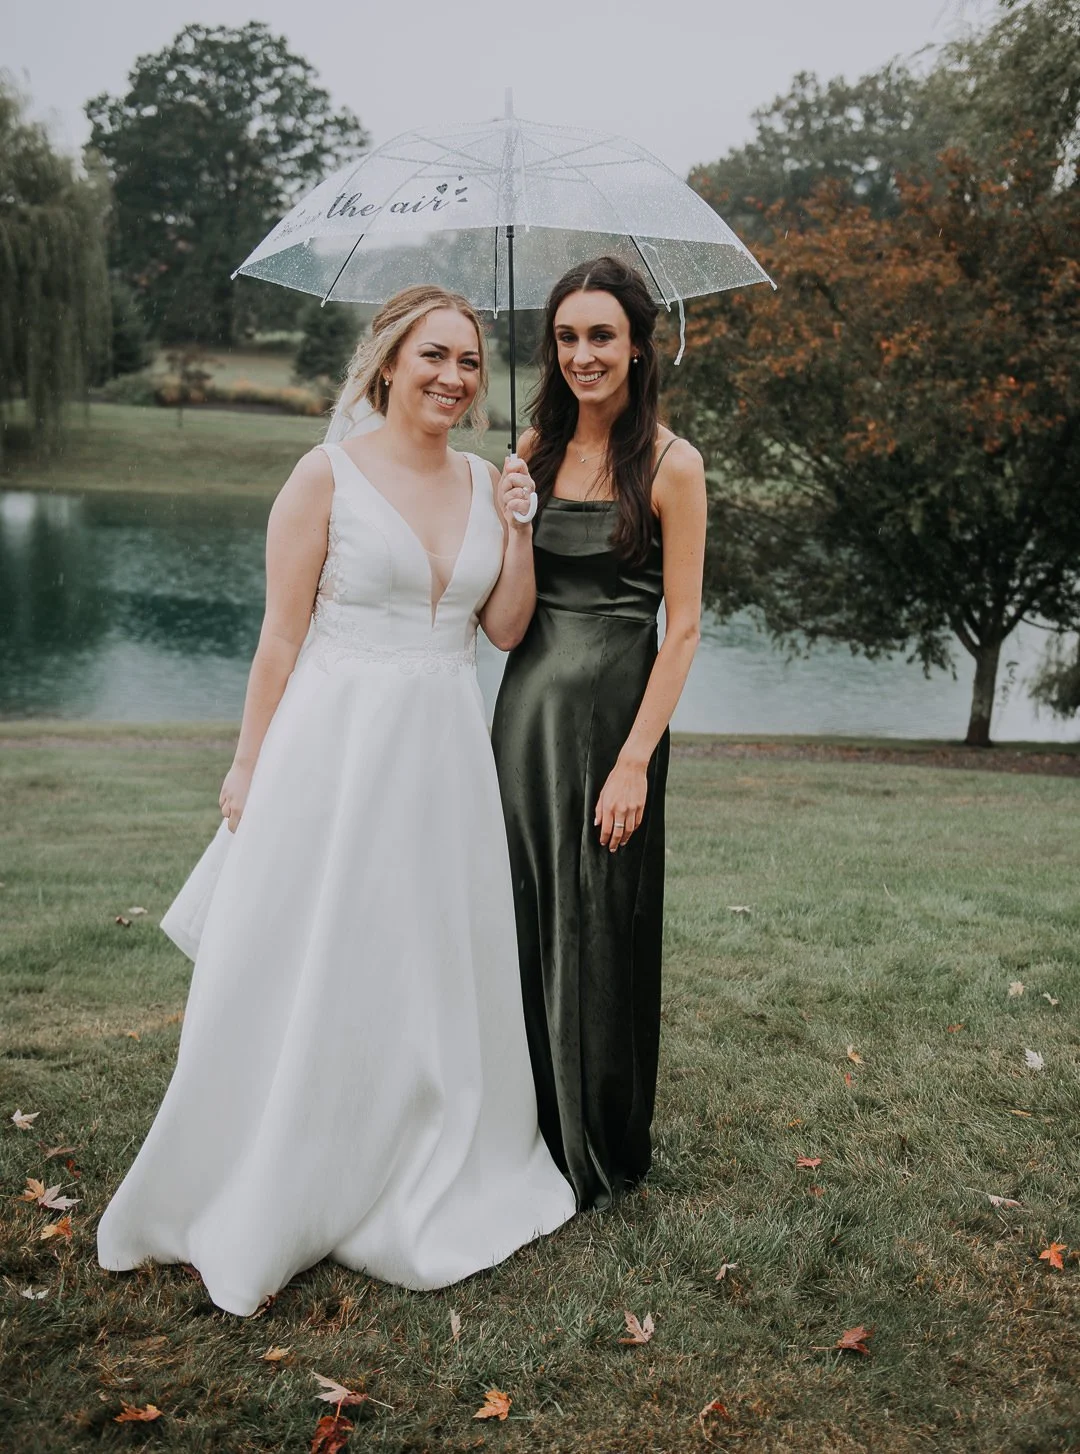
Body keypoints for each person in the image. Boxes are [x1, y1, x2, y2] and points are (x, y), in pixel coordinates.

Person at [97, 285, 575, 1316]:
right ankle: (281, 1162)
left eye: (470, 363)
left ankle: (421, 1146)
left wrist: (522, 528)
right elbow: (278, 636)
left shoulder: (493, 479)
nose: (453, 376)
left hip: (443, 752)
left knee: (424, 954)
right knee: (320, 948)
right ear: (389, 364)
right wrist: (244, 762)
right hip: (335, 745)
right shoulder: (324, 476)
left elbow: (500, 630)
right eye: (434, 355)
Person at [491, 257, 707, 1211]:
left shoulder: (672, 464)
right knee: (522, 917)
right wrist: (509, 524)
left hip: (616, 723)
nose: (584, 354)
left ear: (636, 345)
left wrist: (634, 763)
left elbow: (687, 626)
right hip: (524, 715)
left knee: (597, 924)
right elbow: (506, 615)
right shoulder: (530, 449)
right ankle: (520, 1126)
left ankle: (599, 1142)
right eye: (568, 337)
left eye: (603, 336)